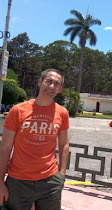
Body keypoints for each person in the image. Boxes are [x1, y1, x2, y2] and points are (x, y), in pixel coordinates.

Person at [0, 68, 70, 209]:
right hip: (18, 180)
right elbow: (5, 147)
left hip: (50, 180)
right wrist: (0, 181)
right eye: (48, 81)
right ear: (40, 82)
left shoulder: (62, 113)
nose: (51, 87)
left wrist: (61, 175)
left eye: (56, 84)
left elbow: (64, 144)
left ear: (60, 89)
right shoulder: (18, 111)